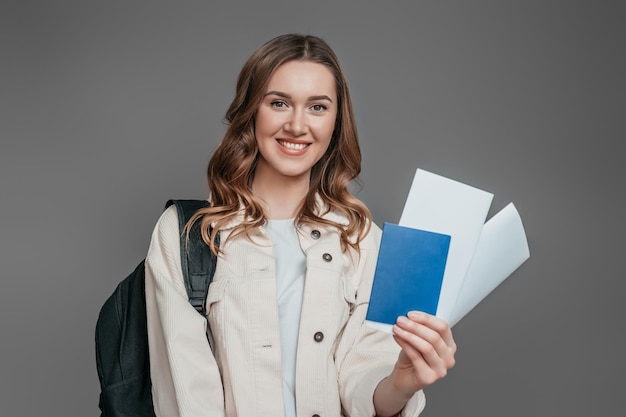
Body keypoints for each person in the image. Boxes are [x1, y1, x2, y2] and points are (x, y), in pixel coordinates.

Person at [144, 33, 456, 417]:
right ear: (251, 111)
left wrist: (401, 382)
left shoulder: (365, 241)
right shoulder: (187, 235)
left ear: (336, 121)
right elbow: (186, 392)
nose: (297, 125)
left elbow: (362, 385)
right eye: (279, 103)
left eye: (317, 107)